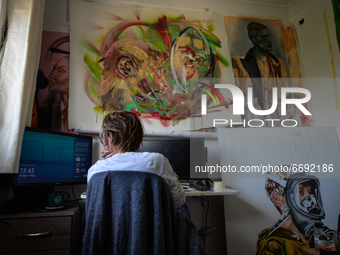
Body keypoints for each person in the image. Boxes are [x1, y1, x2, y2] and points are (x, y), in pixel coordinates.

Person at [87, 110, 186, 211]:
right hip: (151, 226)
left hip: (111, 227)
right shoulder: (157, 162)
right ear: (139, 136)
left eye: (104, 137)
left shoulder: (95, 171)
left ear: (110, 136)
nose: (104, 142)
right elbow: (179, 201)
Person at [232, 21, 303, 126]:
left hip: (278, 119)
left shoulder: (278, 62)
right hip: (253, 119)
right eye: (264, 37)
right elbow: (242, 96)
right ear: (254, 39)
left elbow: (285, 96)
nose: (269, 40)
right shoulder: (239, 61)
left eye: (269, 36)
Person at [256, 172, 310, 255]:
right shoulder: (274, 244)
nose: (310, 198)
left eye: (310, 192)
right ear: (277, 198)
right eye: (300, 191)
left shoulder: (312, 233)